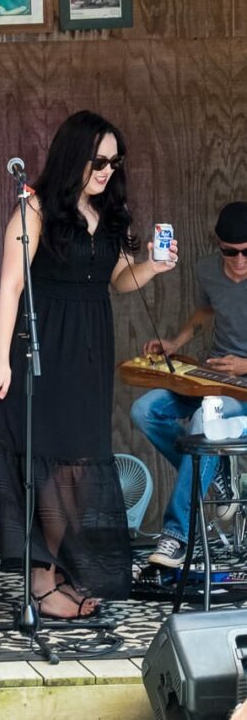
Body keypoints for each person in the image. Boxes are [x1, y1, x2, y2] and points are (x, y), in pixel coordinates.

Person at [0, 111, 178, 619]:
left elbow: (116, 280)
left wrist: (152, 267)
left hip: (91, 349)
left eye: (115, 161)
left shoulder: (108, 213)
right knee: (44, 464)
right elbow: (9, 288)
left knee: (78, 468)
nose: (108, 170)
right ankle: (41, 584)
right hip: (43, 347)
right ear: (74, 157)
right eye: (98, 160)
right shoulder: (36, 211)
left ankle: (62, 574)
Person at [130, 201, 247, 569]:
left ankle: (176, 536)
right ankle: (214, 481)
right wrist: (176, 343)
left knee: (203, 424)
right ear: (218, 244)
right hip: (212, 378)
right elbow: (206, 310)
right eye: (231, 252)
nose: (240, 261)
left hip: (241, 394)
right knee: (144, 410)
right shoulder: (207, 270)